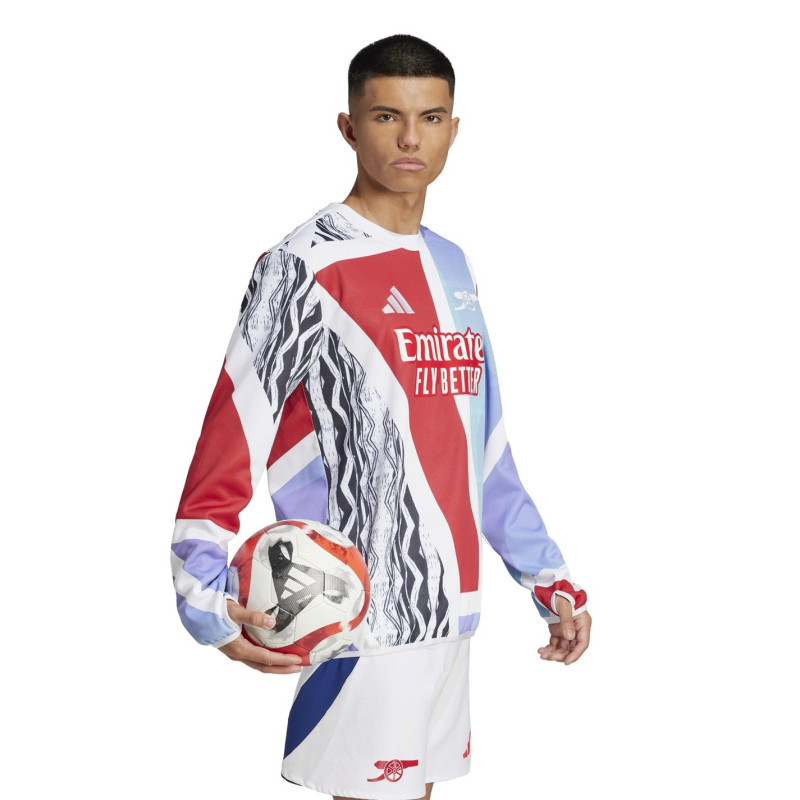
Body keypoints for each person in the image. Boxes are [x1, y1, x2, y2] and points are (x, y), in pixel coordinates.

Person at [171, 34, 591, 800]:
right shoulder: (303, 263)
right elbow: (231, 430)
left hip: (452, 612)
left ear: (453, 129)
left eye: (430, 118)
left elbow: (483, 447)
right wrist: (201, 589)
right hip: (356, 611)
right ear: (349, 126)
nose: (409, 139)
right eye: (386, 116)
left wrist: (548, 577)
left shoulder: (452, 264)